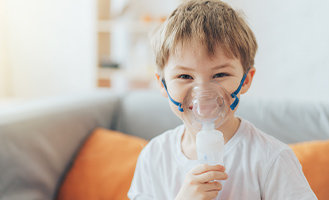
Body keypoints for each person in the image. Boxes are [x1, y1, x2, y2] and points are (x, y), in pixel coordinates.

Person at [127, 0, 318, 199]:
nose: (202, 92)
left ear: (246, 80)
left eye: (219, 75)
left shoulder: (272, 159)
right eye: (185, 77)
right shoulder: (154, 157)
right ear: (162, 84)